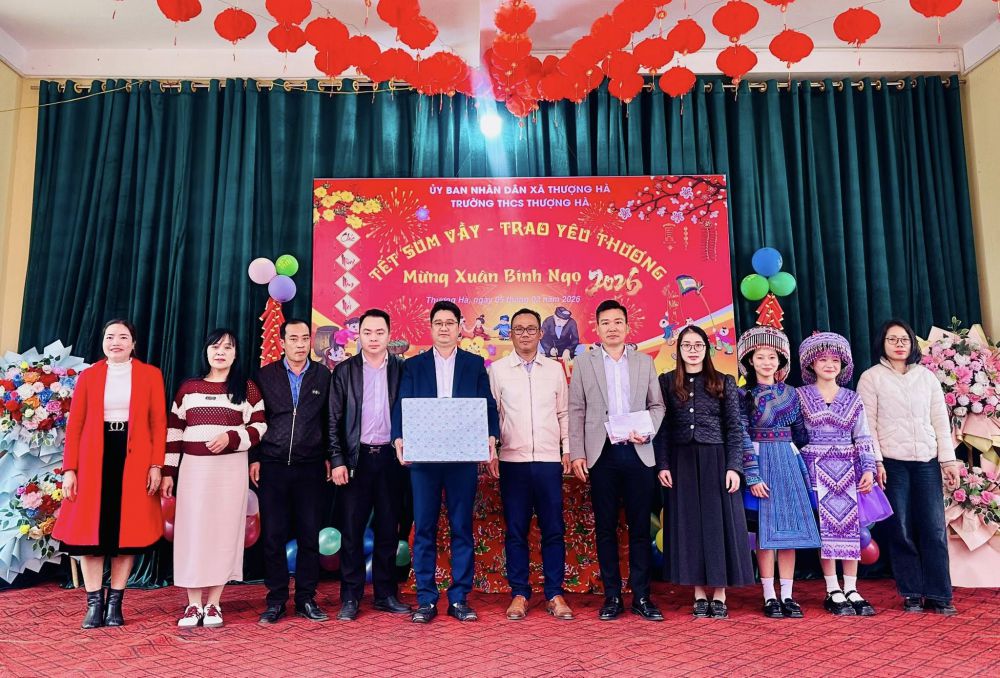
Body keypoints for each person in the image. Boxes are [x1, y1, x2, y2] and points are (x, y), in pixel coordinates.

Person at [391, 300, 500, 623]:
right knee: (424, 528)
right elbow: (401, 404)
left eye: (449, 323)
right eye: (438, 323)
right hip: (424, 458)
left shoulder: (474, 364)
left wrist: (491, 436)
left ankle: (459, 598)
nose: (443, 328)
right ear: (431, 327)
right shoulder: (414, 365)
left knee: (461, 527)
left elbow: (488, 405)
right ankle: (426, 599)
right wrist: (399, 437)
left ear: (459, 328)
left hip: (462, 458)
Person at [54, 320, 166, 629]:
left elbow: (158, 424)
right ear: (103, 342)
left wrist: (156, 465)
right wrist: (70, 469)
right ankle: (94, 603)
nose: (116, 341)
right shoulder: (89, 376)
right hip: (93, 459)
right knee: (89, 535)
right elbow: (75, 426)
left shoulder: (150, 375)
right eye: (110, 336)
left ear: (133, 343)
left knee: (126, 535)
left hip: (134, 459)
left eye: (123, 337)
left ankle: (115, 602)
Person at [162, 329, 267, 628]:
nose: (220, 352)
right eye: (215, 346)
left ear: (236, 354)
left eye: (228, 347)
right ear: (206, 351)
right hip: (194, 470)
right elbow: (174, 432)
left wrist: (231, 437)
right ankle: (193, 604)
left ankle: (214, 604)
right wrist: (169, 472)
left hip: (230, 470)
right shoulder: (189, 388)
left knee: (224, 531)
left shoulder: (247, 388)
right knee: (192, 532)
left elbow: (260, 427)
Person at [568, 300, 665, 622]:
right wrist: (578, 452)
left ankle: (641, 596)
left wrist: (646, 431)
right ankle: (611, 596)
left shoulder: (643, 362)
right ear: (596, 328)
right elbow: (577, 409)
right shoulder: (584, 363)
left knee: (640, 528)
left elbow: (657, 406)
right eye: (606, 323)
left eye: (618, 322)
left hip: (638, 452)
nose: (612, 328)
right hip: (602, 454)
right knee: (606, 528)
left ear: (627, 326)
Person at [857, 319, 961, 615]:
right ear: (882, 343)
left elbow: (940, 422)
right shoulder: (871, 378)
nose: (899, 344)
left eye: (904, 339)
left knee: (934, 528)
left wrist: (948, 460)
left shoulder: (927, 378)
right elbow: (867, 426)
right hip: (892, 463)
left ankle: (940, 595)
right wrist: (876, 460)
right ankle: (912, 592)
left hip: (927, 461)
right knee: (900, 528)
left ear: (912, 343)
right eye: (892, 339)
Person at [656, 324, 755, 619]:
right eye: (687, 345)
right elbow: (662, 429)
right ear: (679, 350)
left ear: (707, 349)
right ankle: (699, 592)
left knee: (717, 524)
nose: (693, 350)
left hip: (717, 459)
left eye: (698, 345)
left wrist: (734, 467)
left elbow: (734, 429)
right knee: (690, 526)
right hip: (681, 461)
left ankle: (720, 592)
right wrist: (663, 464)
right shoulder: (667, 382)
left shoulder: (723, 381)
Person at [488, 308, 574, 621]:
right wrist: (492, 451)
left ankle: (554, 594)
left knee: (553, 529)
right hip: (513, 461)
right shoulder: (498, 370)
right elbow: (493, 415)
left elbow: (564, 413)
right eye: (519, 329)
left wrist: (567, 449)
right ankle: (520, 594)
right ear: (510, 334)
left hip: (549, 461)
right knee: (516, 530)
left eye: (531, 329)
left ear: (541, 333)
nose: (525, 334)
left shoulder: (554, 369)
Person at [329, 309, 412, 621]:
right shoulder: (344, 371)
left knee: (389, 529)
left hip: (391, 459)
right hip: (357, 459)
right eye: (367, 332)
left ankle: (386, 594)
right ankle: (350, 597)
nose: (374, 338)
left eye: (379, 332)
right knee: (352, 530)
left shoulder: (402, 370)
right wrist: (337, 459)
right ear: (358, 335)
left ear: (389, 335)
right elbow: (333, 420)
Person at [797, 331, 885, 617]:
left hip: (848, 469)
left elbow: (863, 436)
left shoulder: (853, 398)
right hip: (814, 468)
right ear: (811, 364)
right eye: (823, 359)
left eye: (835, 360)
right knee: (826, 529)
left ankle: (852, 587)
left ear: (843, 364)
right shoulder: (800, 396)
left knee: (850, 527)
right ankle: (832, 587)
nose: (829, 365)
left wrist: (868, 468)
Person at [251, 319, 332, 624]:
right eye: (293, 338)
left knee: (309, 535)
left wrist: (330, 456)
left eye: (304, 338)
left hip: (311, 466)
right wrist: (255, 457)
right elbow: (254, 420)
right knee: (273, 536)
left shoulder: (323, 375)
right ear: (282, 342)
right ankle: (275, 600)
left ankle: (306, 599)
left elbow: (330, 420)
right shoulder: (264, 376)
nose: (300, 344)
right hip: (272, 465)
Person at [737, 325, 820, 619]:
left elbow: (800, 433)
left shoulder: (791, 394)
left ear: (780, 360)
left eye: (772, 356)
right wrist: (752, 474)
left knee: (790, 531)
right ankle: (768, 595)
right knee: (764, 531)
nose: (766, 362)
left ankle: (787, 594)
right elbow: (741, 434)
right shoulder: (743, 394)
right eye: (760, 357)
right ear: (750, 360)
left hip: (787, 459)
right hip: (759, 459)